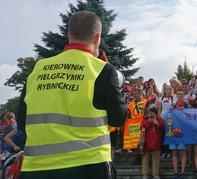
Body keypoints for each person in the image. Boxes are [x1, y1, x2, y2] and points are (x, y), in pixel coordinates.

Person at [17, 11, 127, 179]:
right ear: (97, 38)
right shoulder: (102, 69)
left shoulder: (39, 68)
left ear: (68, 34)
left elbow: (21, 122)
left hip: (37, 167)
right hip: (89, 165)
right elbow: (118, 119)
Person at [169, 90, 190, 179]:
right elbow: (168, 118)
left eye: (181, 94)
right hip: (174, 133)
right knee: (174, 152)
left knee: (183, 152)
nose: (180, 95)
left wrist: (185, 110)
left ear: (184, 95)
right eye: (178, 94)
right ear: (176, 96)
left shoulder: (187, 106)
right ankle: (175, 172)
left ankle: (182, 172)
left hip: (183, 133)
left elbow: (191, 116)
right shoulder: (173, 106)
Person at [141, 105, 165, 179]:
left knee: (156, 159)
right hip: (147, 142)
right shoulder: (145, 118)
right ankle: (144, 174)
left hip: (156, 141)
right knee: (145, 158)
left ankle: (155, 174)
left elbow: (162, 127)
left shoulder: (159, 119)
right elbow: (142, 126)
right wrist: (150, 121)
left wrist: (156, 123)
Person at [0, 112, 22, 179]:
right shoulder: (13, 126)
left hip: (6, 148)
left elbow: (4, 137)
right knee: (6, 166)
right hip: (9, 148)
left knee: (4, 167)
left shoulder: (10, 126)